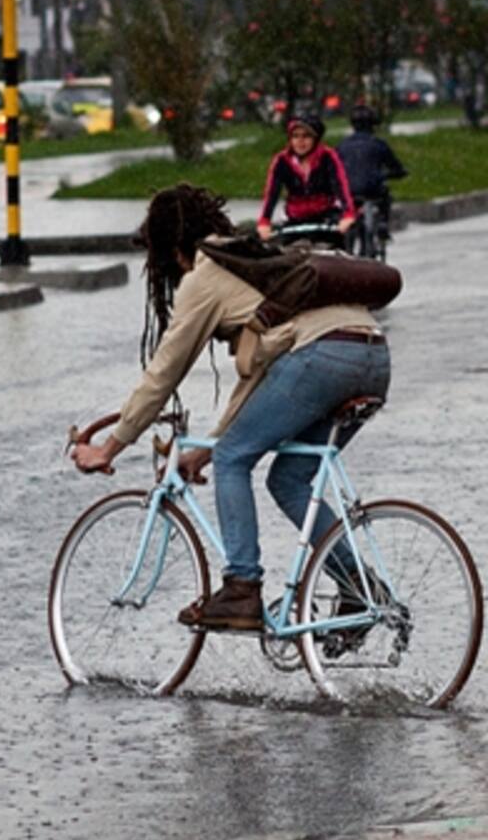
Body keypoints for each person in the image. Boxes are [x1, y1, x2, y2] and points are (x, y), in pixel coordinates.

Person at [72, 184, 391, 630]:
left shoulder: (205, 276)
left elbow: (164, 371)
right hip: (372, 355)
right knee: (290, 477)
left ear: (171, 249)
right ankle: (359, 586)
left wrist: (109, 448)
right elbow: (260, 378)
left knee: (233, 461)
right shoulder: (251, 260)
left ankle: (241, 587)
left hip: (323, 357)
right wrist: (209, 448)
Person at [256, 114, 356, 242]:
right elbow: (271, 193)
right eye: (295, 136)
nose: (300, 141)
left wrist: (348, 214)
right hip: (295, 219)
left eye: (306, 136)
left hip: (325, 218)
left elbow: (340, 185)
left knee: (335, 252)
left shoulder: (328, 156)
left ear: (316, 139)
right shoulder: (282, 160)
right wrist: (264, 221)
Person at [336, 104, 407, 241]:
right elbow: (395, 166)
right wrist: (398, 173)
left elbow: (332, 167)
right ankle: (383, 223)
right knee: (385, 196)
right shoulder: (378, 144)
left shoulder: (342, 146)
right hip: (372, 188)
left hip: (349, 190)